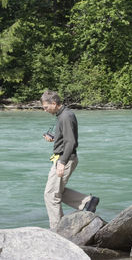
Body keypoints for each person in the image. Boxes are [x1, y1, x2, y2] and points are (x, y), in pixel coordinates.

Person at [41, 90, 99, 230]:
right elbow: (66, 138)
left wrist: (62, 162)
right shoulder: (63, 115)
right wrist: (54, 139)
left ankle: (57, 230)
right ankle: (87, 202)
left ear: (54, 103)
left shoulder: (66, 116)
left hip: (64, 159)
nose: (45, 110)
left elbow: (71, 142)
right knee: (56, 191)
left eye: (46, 107)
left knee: (51, 195)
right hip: (63, 157)